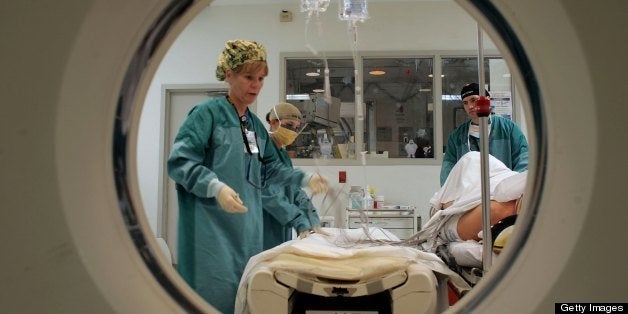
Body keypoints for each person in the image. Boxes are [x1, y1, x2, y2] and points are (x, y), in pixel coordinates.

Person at [167, 39, 329, 314]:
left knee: (244, 300)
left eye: (261, 79)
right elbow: (180, 162)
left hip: (247, 235)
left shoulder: (252, 125)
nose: (256, 85)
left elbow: (266, 169)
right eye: (248, 77)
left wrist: (302, 177)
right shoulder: (207, 115)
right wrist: (216, 187)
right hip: (211, 233)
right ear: (228, 74)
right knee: (212, 301)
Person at [262, 102, 325, 250]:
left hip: (281, 224)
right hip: (263, 223)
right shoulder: (262, 150)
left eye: (297, 128)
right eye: (289, 125)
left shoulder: (283, 154)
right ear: (273, 122)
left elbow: (294, 190)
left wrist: (310, 215)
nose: (293, 131)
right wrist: (297, 218)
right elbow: (268, 194)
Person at [440, 83, 529, 186]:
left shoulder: (509, 129)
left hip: (504, 193)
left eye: (474, 100)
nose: (470, 106)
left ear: (487, 99)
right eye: (465, 103)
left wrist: (512, 188)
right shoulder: (457, 137)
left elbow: (524, 161)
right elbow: (448, 170)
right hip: (469, 196)